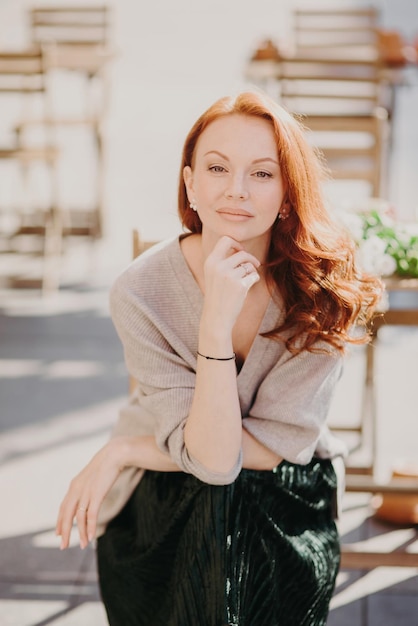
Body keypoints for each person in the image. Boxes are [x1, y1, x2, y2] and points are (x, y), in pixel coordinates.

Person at [56, 89, 383, 626]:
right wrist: (215, 322)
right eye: (216, 168)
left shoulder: (321, 287)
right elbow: (210, 461)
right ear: (189, 182)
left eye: (261, 173)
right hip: (165, 488)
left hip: (285, 483)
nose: (236, 191)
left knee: (230, 527)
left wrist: (124, 449)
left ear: (286, 192)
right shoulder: (140, 291)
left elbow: (265, 448)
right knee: (210, 516)